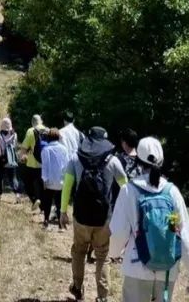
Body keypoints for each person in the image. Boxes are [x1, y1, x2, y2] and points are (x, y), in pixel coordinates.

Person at [109, 137, 189, 302]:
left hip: (136, 266)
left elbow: (119, 232)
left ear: (138, 160)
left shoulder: (128, 190)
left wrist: (114, 253)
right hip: (167, 270)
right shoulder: (173, 192)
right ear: (162, 161)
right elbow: (184, 234)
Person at [60, 127, 129, 302]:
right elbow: (126, 187)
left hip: (81, 217)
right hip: (104, 218)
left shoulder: (75, 158)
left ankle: (77, 287)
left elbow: (67, 186)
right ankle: (102, 296)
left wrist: (62, 212)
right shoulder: (112, 161)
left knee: (78, 252)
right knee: (103, 256)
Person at [40, 128, 71, 227]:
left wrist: (44, 180)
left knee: (47, 201)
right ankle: (60, 223)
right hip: (61, 180)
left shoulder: (46, 149)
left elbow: (45, 166)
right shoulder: (64, 149)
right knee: (59, 202)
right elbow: (67, 165)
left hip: (49, 181)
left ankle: (46, 219)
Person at [19, 114, 47, 207]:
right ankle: (43, 205)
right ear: (41, 121)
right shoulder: (48, 130)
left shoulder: (30, 131)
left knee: (28, 184)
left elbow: (24, 147)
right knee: (42, 185)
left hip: (32, 164)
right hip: (45, 164)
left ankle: (35, 199)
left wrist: (22, 157)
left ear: (32, 122)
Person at [0, 117, 21, 201]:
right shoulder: (14, 135)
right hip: (11, 158)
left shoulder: (0, 135)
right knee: (13, 177)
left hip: (2, 158)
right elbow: (15, 146)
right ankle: (17, 194)